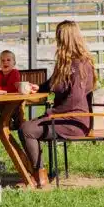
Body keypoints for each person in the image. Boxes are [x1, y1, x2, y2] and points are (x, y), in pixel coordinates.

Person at [19, 21, 96, 188]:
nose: (56, 42)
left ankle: (39, 176)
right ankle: (38, 173)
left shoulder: (79, 65)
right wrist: (39, 87)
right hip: (66, 117)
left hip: (74, 120)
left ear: (64, 39)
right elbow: (53, 82)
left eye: (58, 37)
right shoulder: (67, 63)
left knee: (26, 130)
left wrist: (52, 112)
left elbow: (74, 99)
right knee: (27, 127)